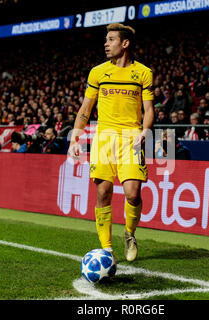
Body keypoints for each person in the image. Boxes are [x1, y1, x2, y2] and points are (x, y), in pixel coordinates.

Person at [68, 23, 154, 263]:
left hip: (131, 138)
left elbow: (149, 109)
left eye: (111, 39)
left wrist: (145, 131)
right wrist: (75, 136)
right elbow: (86, 108)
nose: (106, 44)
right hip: (104, 138)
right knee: (103, 192)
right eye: (106, 40)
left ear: (125, 43)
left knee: (133, 193)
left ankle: (129, 234)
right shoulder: (97, 72)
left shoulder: (143, 73)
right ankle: (106, 249)